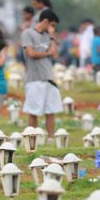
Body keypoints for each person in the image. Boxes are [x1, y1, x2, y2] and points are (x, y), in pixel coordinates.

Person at [22, 9, 62, 140]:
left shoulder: (48, 36)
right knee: (33, 112)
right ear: (46, 21)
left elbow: (55, 54)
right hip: (34, 79)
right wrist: (47, 53)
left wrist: (51, 37)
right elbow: (31, 54)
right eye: (53, 25)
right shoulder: (28, 33)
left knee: (51, 111)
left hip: (49, 78)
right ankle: (31, 139)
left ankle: (51, 138)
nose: (53, 28)